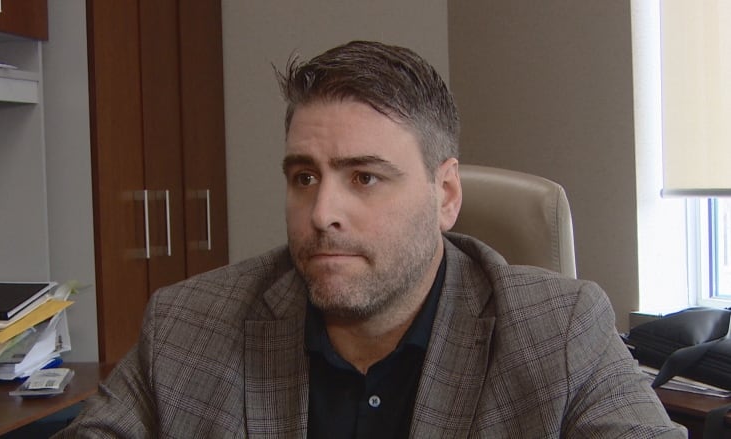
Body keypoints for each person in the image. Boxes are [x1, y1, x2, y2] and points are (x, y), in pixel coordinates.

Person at [56, 41, 685, 438]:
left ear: (445, 196)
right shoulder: (189, 326)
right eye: (304, 177)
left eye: (364, 177)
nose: (322, 211)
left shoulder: (558, 330)